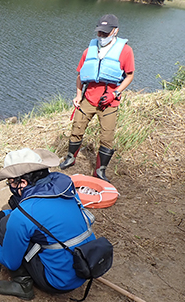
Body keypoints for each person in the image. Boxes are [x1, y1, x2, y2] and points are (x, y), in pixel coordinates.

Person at [0, 148, 96, 300]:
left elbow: (10, 262)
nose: (10, 187)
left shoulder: (22, 216)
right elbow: (45, 213)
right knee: (13, 218)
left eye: (10, 183)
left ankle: (22, 284)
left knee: (6, 225)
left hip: (58, 282)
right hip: (85, 264)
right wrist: (5, 213)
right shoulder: (64, 186)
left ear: (23, 182)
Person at [59, 14, 135, 182]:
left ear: (115, 31)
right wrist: (78, 95)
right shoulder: (90, 50)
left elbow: (129, 75)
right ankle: (71, 158)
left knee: (107, 137)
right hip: (88, 98)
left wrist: (115, 93)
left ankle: (100, 170)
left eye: (105, 33)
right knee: (77, 129)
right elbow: (80, 74)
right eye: (99, 32)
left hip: (109, 101)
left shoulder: (126, 51)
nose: (101, 36)